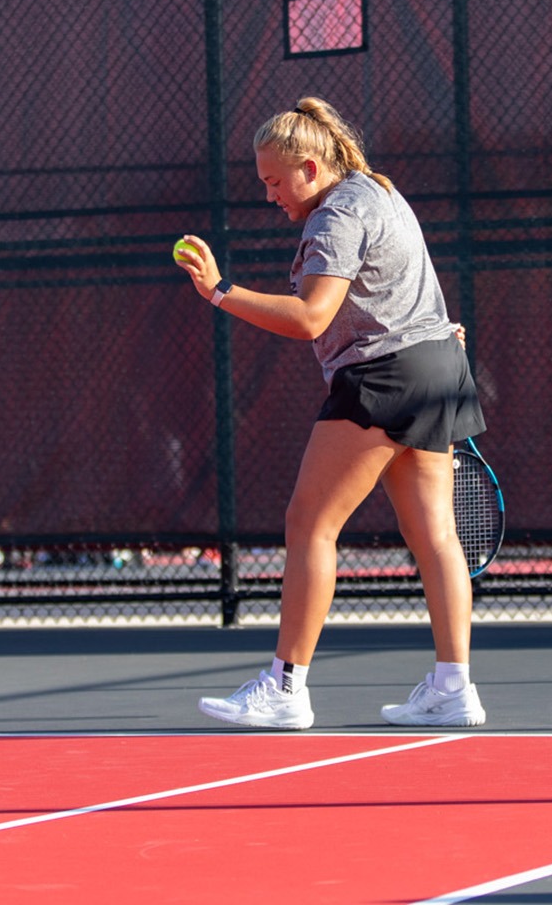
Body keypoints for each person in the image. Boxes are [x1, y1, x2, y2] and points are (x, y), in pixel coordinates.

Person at [174, 97, 487, 730]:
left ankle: (286, 687)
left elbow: (312, 316)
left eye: (276, 182)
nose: (271, 196)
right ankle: (455, 687)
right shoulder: (382, 192)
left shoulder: (337, 215)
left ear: (312, 169)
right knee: (435, 538)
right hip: (438, 368)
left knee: (309, 524)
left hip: (385, 375)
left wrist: (219, 292)